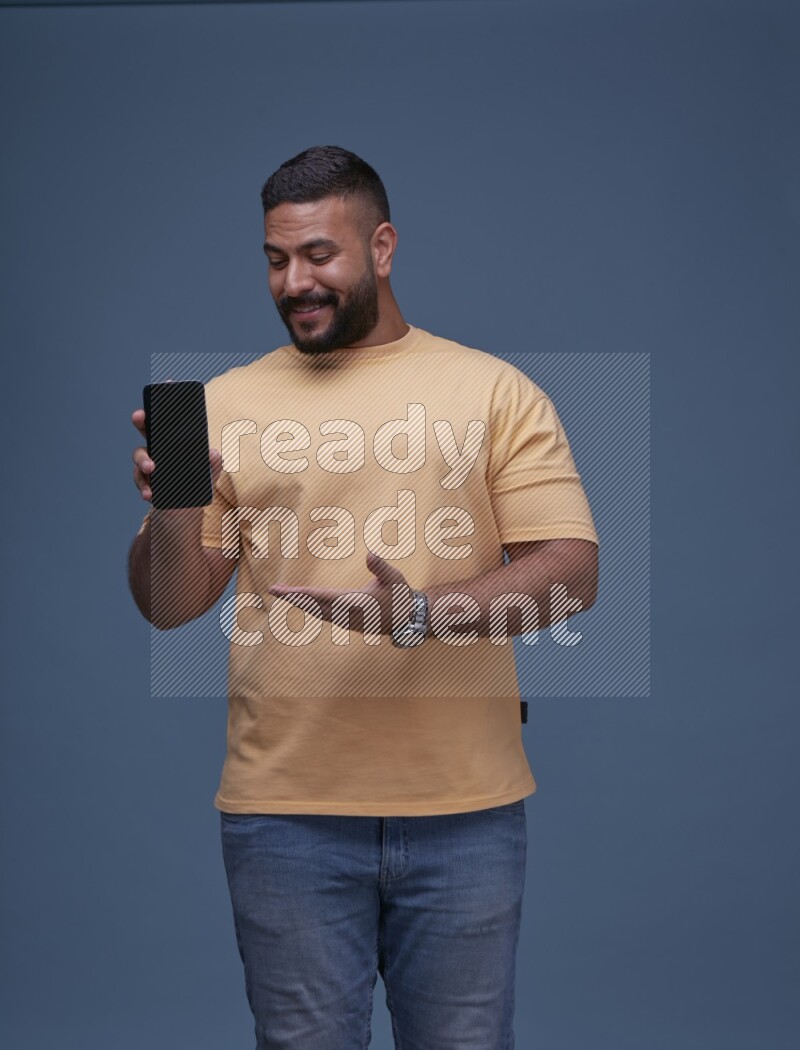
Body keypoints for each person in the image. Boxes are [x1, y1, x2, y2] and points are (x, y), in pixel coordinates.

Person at [128, 145, 599, 1050]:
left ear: (381, 247)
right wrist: (174, 512)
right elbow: (170, 603)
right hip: (284, 821)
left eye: (319, 255)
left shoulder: (493, 392)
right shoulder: (220, 405)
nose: (295, 281)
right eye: (276, 258)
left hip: (466, 816)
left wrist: (423, 615)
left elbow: (572, 575)